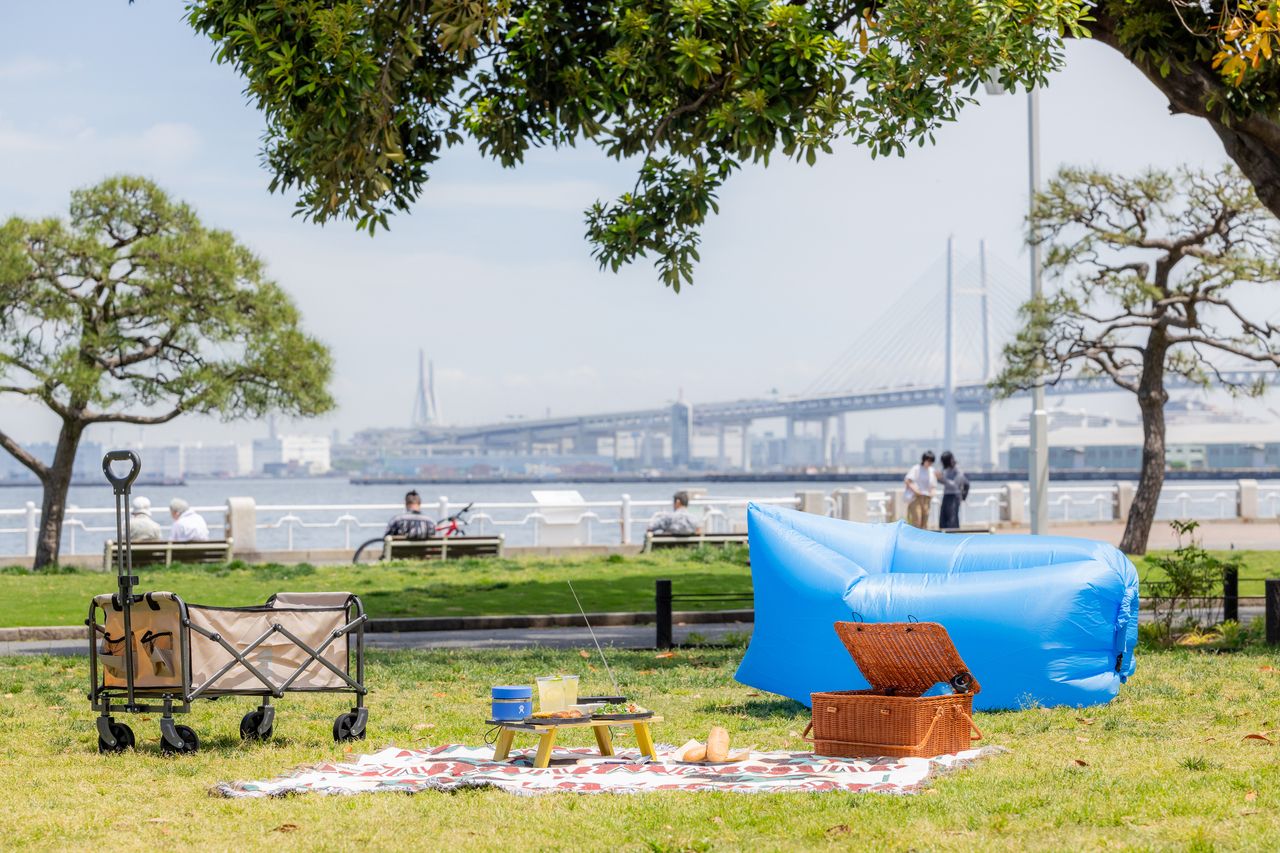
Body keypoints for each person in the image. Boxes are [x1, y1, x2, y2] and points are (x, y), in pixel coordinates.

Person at [902, 451, 938, 529]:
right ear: (924, 460)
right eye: (928, 461)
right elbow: (908, 480)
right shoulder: (916, 468)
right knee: (916, 520)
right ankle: (915, 535)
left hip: (927, 498)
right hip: (916, 497)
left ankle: (922, 536)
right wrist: (916, 491)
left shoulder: (931, 470)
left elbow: (933, 485)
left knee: (925, 521)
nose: (930, 463)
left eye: (931, 461)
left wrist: (932, 494)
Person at [938, 450, 970, 530]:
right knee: (943, 519)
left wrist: (942, 478)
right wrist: (938, 478)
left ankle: (954, 536)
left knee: (952, 520)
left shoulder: (958, 470)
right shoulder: (946, 469)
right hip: (946, 495)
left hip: (954, 496)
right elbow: (945, 482)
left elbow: (955, 485)